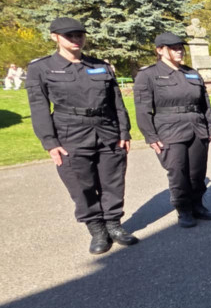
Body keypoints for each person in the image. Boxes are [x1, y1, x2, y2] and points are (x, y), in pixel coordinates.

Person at [26, 17, 136, 254]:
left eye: (80, 35)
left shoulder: (100, 66)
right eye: (70, 36)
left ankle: (114, 224)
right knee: (81, 185)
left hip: (107, 130)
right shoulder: (41, 68)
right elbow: (38, 107)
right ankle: (96, 229)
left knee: (113, 181)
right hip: (70, 133)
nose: (76, 40)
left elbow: (117, 102)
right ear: (55, 36)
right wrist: (50, 142)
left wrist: (124, 131)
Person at [134, 32, 211, 229]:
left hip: (196, 127)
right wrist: (150, 136)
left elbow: (205, 103)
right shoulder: (148, 75)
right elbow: (143, 108)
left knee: (197, 172)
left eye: (181, 47)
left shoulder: (191, 73)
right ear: (160, 50)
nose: (179, 51)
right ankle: (184, 210)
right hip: (169, 129)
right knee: (178, 173)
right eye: (173, 48)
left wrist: (209, 127)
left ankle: (197, 205)